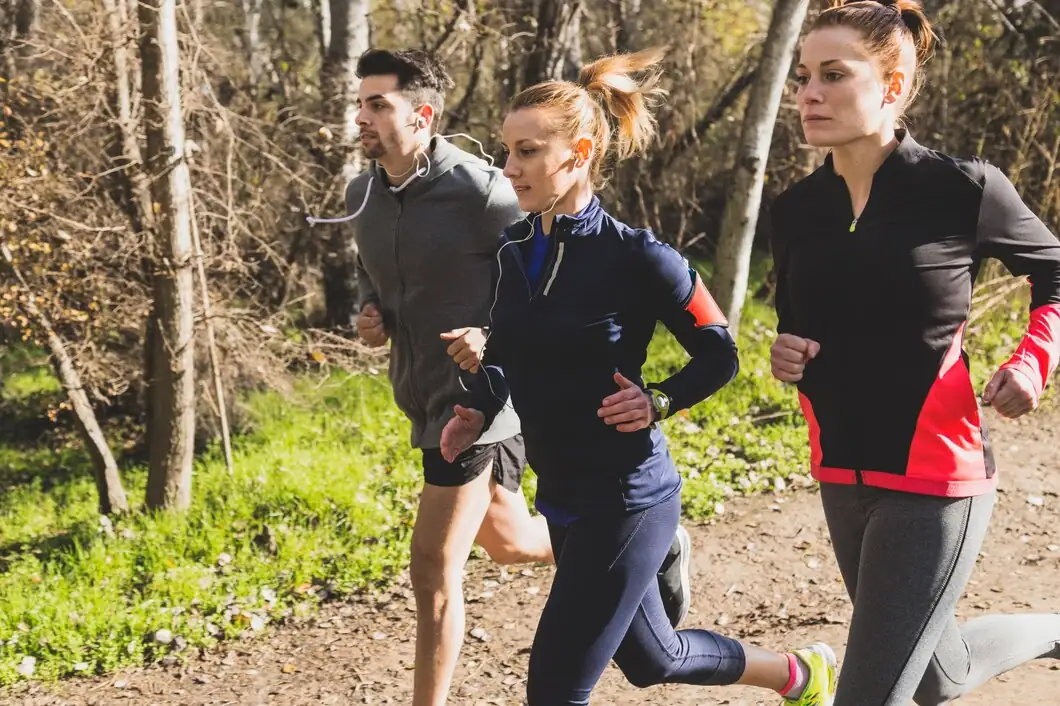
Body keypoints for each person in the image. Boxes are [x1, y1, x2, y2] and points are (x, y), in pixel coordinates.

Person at [439, 47, 837, 706]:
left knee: (555, 689)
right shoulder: (513, 253)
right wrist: (477, 408)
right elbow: (515, 350)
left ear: (580, 152)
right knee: (656, 658)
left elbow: (721, 353)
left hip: (625, 496)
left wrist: (659, 400)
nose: (510, 168)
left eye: (528, 151)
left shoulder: (639, 257)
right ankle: (801, 674)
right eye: (507, 151)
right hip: (561, 493)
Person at [329, 48, 693, 706]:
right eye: (360, 103)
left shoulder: (480, 188)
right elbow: (372, 267)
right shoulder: (363, 195)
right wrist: (370, 310)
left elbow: (554, 259)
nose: (362, 116)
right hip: (423, 397)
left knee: (433, 567)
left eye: (378, 104)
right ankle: (646, 545)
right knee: (511, 543)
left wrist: (503, 340)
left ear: (422, 116)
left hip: (481, 403)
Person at [768, 1, 1060, 704]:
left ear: (893, 86)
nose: (809, 93)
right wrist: (788, 353)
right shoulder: (795, 210)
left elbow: (1055, 270)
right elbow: (798, 325)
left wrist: (1032, 361)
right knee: (940, 671)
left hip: (935, 480)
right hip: (839, 468)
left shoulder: (962, 189)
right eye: (805, 76)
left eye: (833, 75)